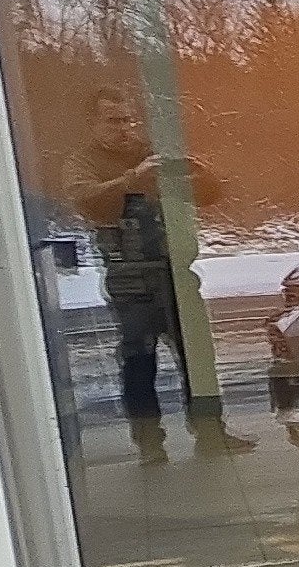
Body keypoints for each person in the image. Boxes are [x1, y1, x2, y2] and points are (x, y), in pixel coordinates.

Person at [60, 87, 205, 444]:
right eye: (113, 120)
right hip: (130, 277)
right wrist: (133, 178)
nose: (124, 127)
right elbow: (87, 200)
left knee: (197, 358)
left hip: (176, 271)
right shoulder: (82, 162)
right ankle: (149, 441)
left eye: (128, 119)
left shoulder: (149, 154)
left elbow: (210, 194)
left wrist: (198, 172)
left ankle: (210, 430)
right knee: (139, 361)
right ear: (92, 124)